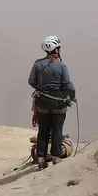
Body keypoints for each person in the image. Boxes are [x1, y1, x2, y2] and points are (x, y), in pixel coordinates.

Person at [28, 36, 76, 170]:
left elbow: (31, 81)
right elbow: (68, 84)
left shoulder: (37, 64)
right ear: (56, 49)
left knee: (43, 130)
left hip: (42, 102)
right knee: (57, 129)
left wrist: (42, 87)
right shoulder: (61, 65)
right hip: (59, 103)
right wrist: (72, 96)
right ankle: (55, 157)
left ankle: (41, 159)